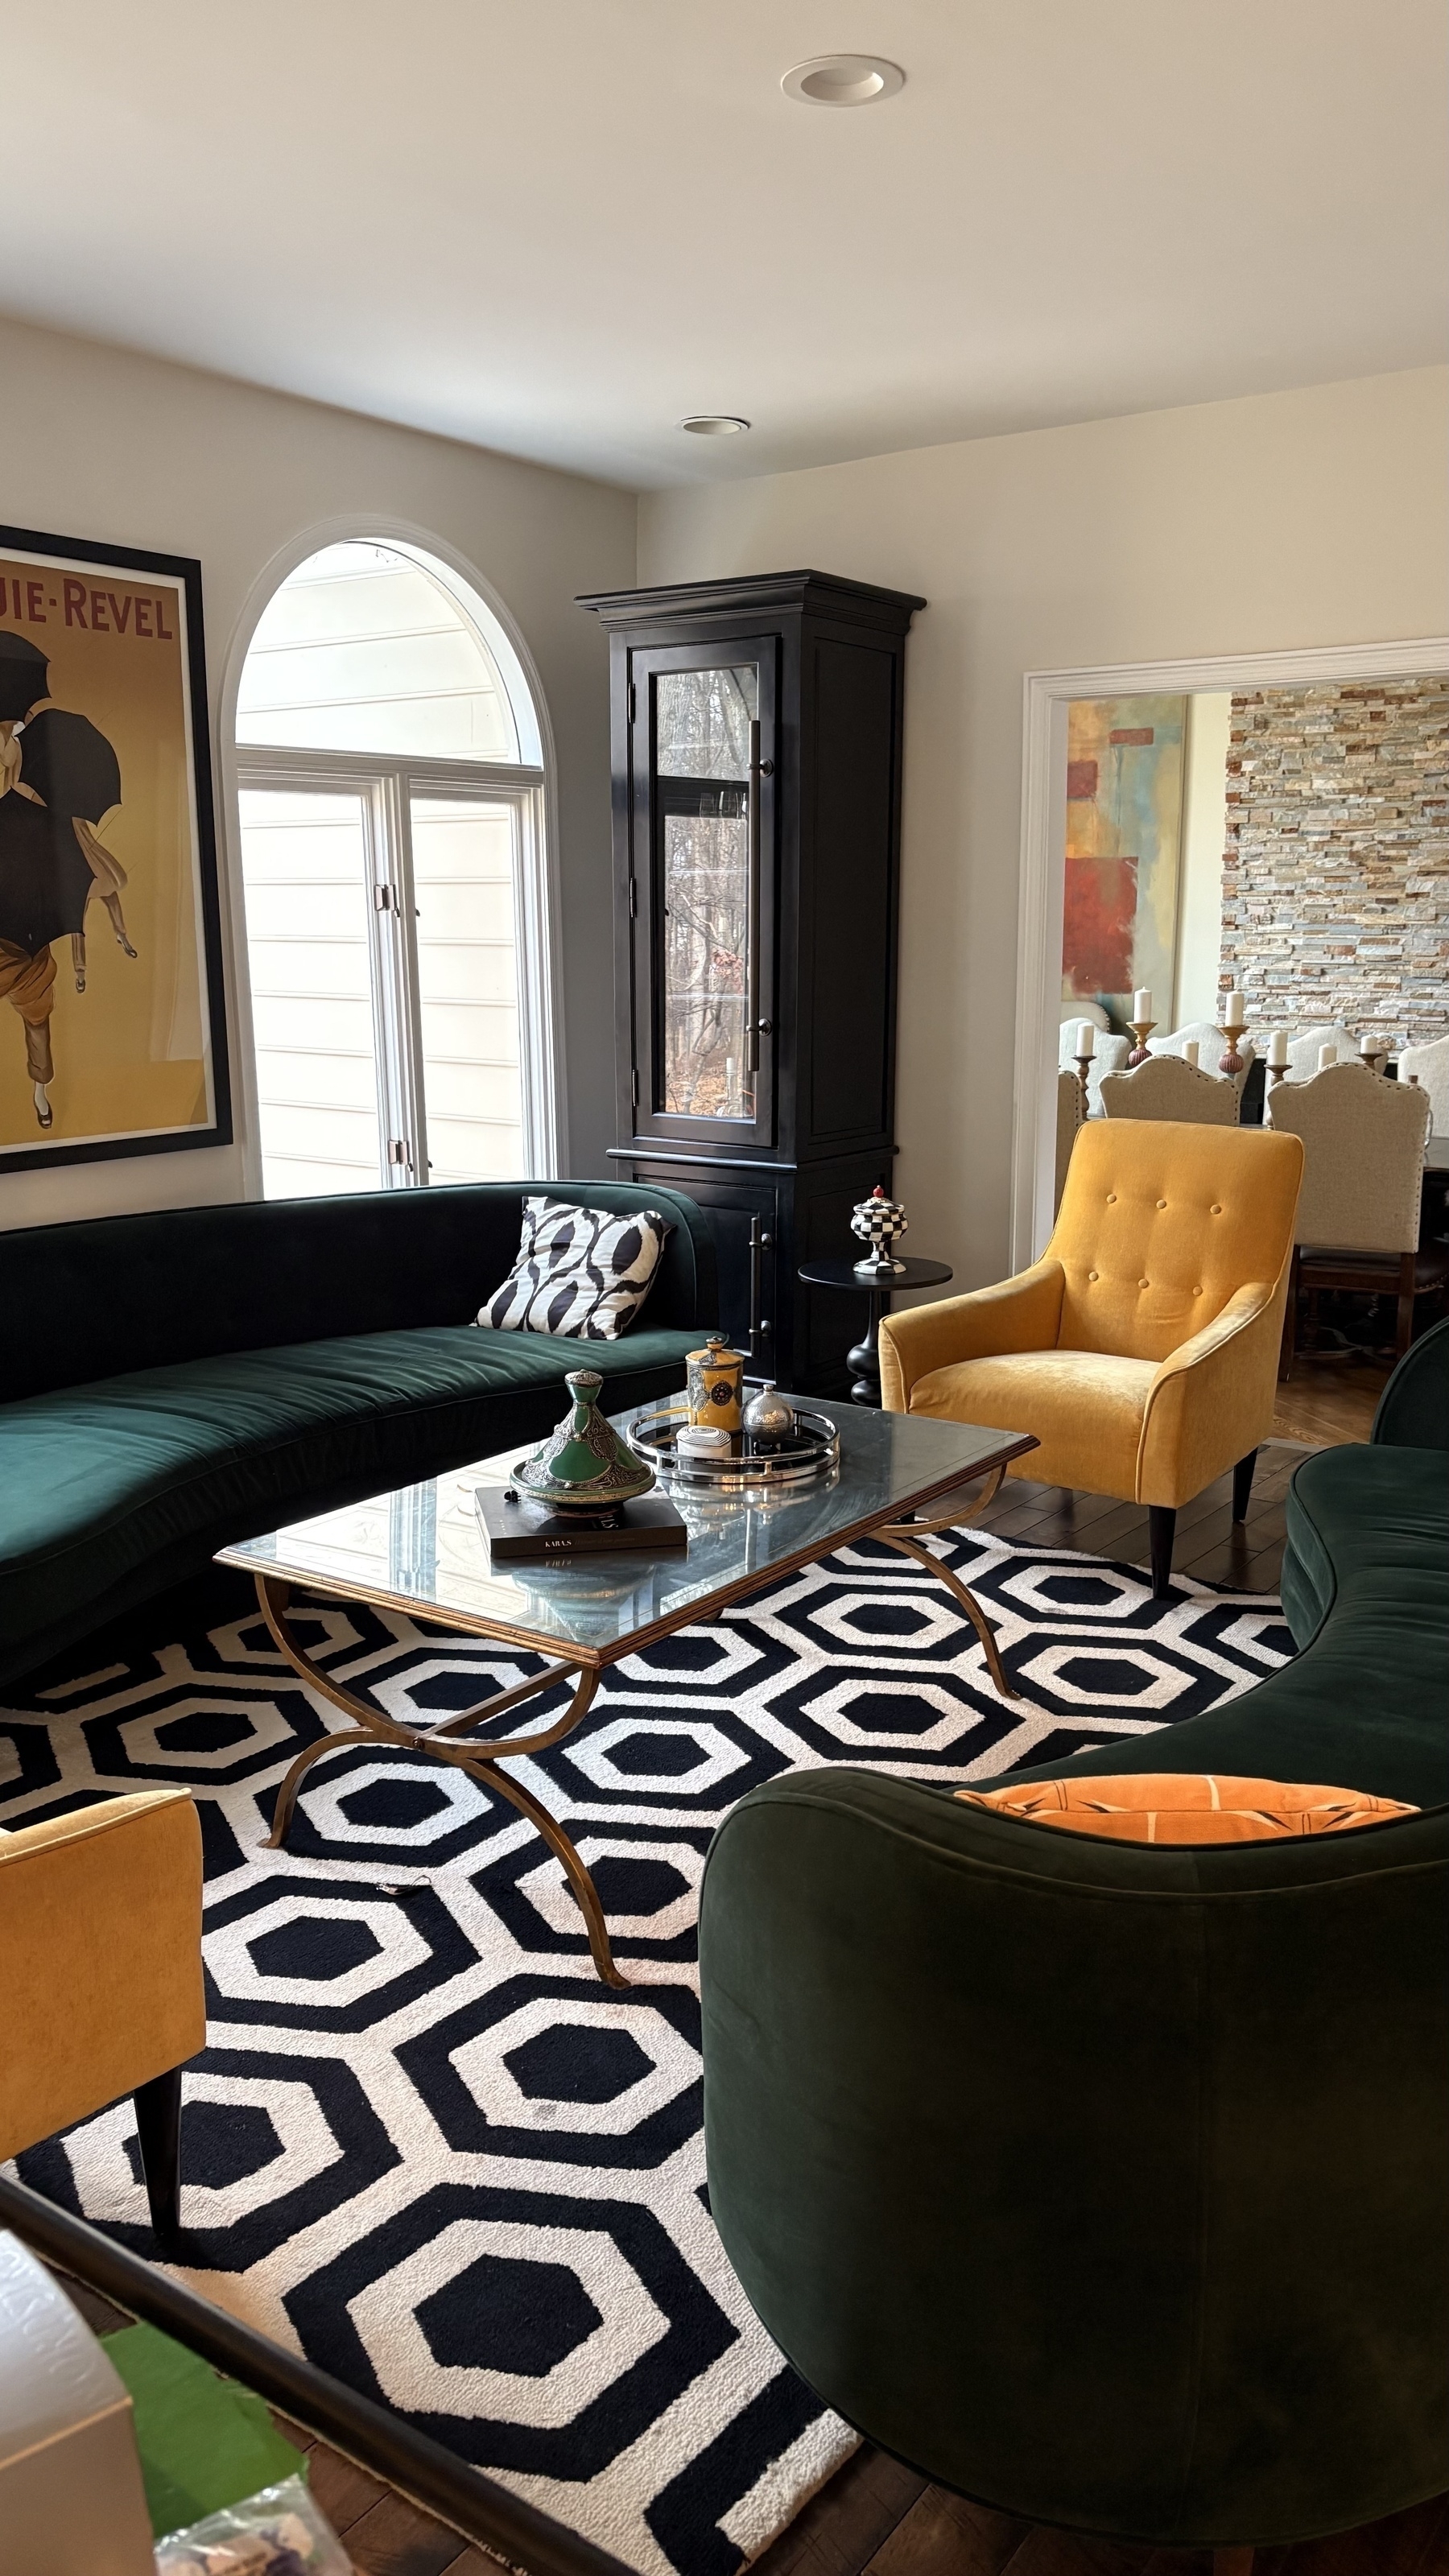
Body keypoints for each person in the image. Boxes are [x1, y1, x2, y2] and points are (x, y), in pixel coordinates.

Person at [0, 630, 130, 1129]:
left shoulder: (22, 752)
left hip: (29, 936)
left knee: (39, 1022)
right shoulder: (14, 747)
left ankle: (40, 1091)